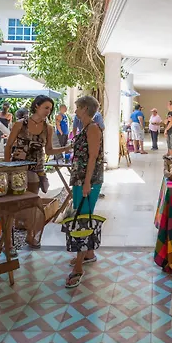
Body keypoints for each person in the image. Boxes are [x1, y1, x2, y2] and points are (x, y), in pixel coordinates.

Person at [4, 95, 71, 248]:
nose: (48, 111)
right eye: (46, 107)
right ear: (36, 106)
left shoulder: (48, 128)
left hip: (37, 169)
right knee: (12, 203)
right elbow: (8, 146)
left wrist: (66, 148)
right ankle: (8, 241)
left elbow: (49, 150)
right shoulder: (20, 124)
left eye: (50, 109)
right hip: (18, 168)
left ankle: (30, 235)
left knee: (33, 202)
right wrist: (7, 167)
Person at [66, 95, 104, 288]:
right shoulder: (85, 128)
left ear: (85, 109)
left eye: (78, 107)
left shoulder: (93, 128)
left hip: (88, 180)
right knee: (82, 215)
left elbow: (93, 157)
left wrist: (87, 182)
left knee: (82, 219)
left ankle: (79, 267)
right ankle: (88, 254)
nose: (75, 111)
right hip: (81, 179)